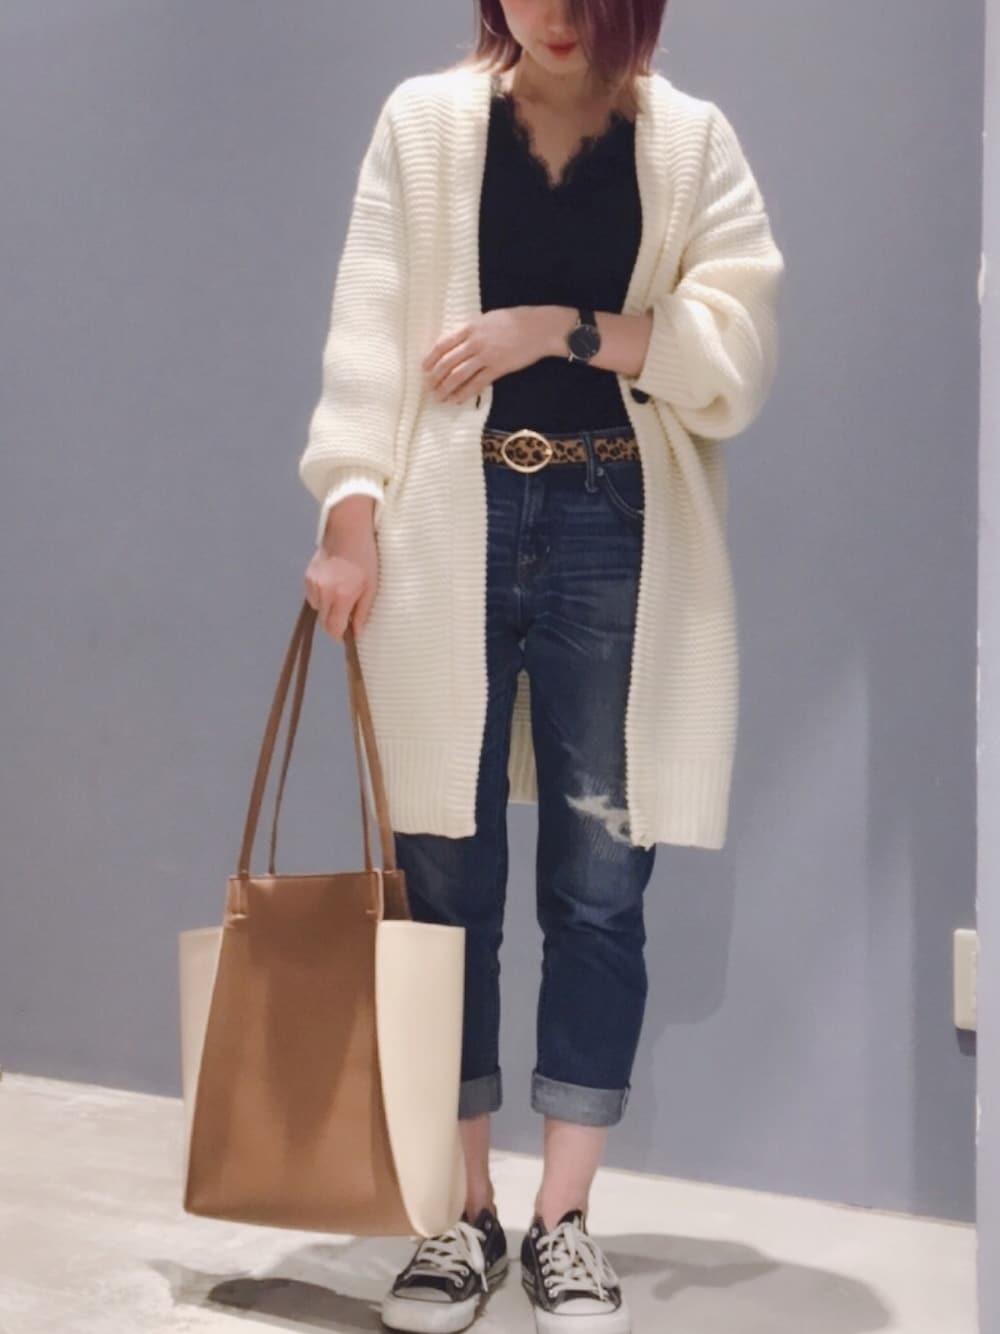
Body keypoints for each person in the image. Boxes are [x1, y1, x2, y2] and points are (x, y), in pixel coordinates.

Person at [300, 2, 785, 1330]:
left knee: (602, 880)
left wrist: (557, 328)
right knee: (442, 878)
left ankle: (563, 1222)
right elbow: (366, 334)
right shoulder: (424, 125)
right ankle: (460, 1215)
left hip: (616, 520)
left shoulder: (688, 143)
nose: (556, 16)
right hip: (445, 519)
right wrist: (350, 510)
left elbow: (734, 357)